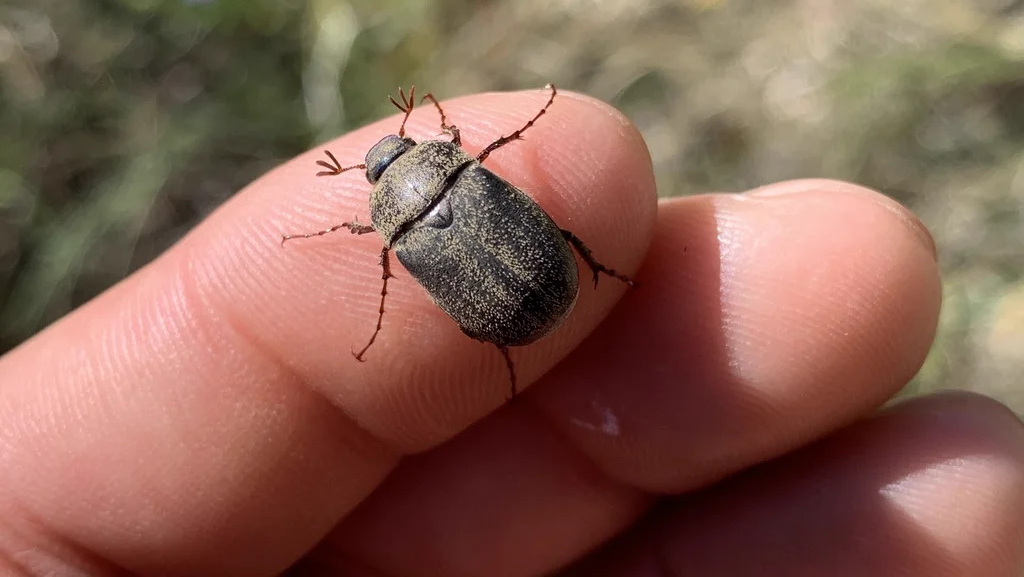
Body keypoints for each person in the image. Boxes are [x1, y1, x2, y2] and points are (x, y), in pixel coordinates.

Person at [0, 90, 1021, 576]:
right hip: (527, 290)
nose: (390, 149)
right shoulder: (444, 174)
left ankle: (582, 287)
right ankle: (599, 275)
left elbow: (417, 272)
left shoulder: (395, 219)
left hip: (509, 317)